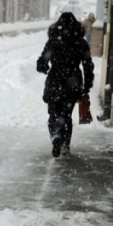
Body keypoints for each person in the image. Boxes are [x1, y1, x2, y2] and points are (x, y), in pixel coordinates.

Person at [36, 12, 94, 158]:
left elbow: (43, 61)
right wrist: (87, 85)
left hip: (55, 81)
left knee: (53, 112)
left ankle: (55, 136)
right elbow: (88, 65)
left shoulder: (54, 41)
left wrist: (44, 67)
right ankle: (65, 145)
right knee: (66, 115)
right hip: (73, 83)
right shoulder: (81, 43)